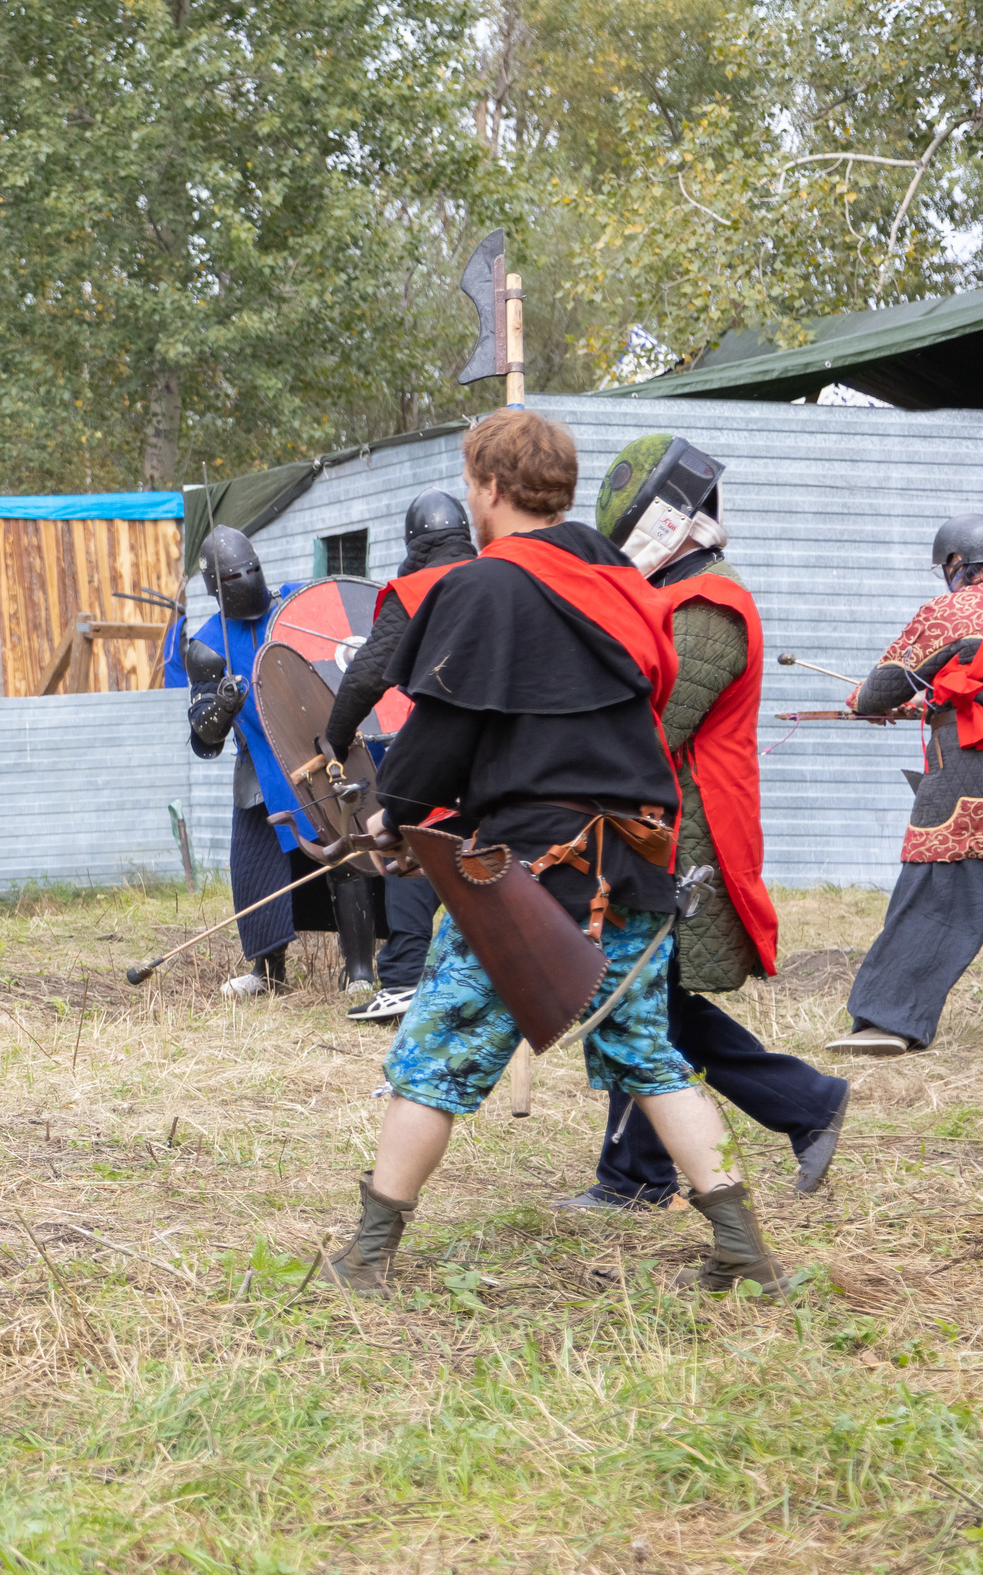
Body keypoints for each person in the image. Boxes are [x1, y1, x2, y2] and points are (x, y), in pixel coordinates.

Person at [324, 408, 791, 1298]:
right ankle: (743, 1248)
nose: (472, 496)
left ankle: (367, 1257)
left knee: (434, 1052)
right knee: (649, 1053)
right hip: (635, 856)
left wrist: (392, 815)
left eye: (472, 482)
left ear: (491, 488)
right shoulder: (619, 577)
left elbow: (444, 727)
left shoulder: (485, 585)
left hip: (529, 875)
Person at [553, 434, 849, 1206]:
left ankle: (797, 1106)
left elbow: (652, 729)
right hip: (663, 824)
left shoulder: (710, 602)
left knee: (647, 996)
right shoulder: (669, 600)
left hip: (693, 833)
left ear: (668, 525)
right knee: (647, 996)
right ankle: (644, 1171)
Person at [166, 527, 380, 995]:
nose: (246, 579)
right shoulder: (207, 646)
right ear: (216, 588)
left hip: (321, 748)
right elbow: (205, 739)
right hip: (259, 762)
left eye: (251, 570)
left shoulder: (296, 605)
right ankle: (267, 972)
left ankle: (360, 970)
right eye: (234, 575)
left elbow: (345, 655)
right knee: (258, 865)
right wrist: (221, 704)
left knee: (345, 851)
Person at [828, 513, 983, 1057]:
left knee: (938, 894)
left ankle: (888, 1020)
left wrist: (867, 702)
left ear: (958, 564)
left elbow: (878, 692)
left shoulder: (951, 611)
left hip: (969, 781)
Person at [325, 491, 478, 1021]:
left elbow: (367, 673)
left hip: (448, 737)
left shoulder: (415, 588)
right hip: (518, 751)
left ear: (414, 544)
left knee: (406, 830)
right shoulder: (504, 574)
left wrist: (336, 738)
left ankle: (406, 979)